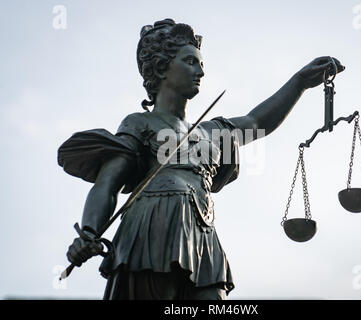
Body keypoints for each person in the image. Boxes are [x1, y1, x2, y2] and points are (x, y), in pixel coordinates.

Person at [58, 18, 344, 300]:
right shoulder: (140, 123)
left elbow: (258, 121)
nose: (201, 73)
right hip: (152, 227)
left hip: (202, 231)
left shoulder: (212, 130)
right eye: (190, 62)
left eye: (201, 64)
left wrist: (300, 83)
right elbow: (107, 184)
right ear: (162, 67)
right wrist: (89, 231)